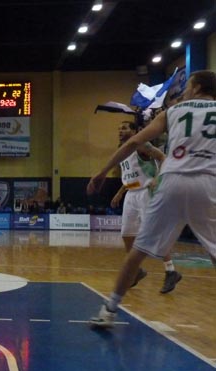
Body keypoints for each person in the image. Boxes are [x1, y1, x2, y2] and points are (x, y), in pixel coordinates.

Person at [87, 70, 216, 328]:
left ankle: (109, 311)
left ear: (197, 87)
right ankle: (168, 271)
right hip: (207, 182)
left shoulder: (172, 112)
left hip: (172, 181)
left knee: (137, 252)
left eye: (187, 87)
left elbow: (134, 142)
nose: (184, 91)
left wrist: (102, 172)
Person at [109, 120, 182, 293]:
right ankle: (137, 271)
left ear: (134, 131)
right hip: (131, 193)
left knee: (155, 233)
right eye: (119, 128)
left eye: (124, 128)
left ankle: (171, 271)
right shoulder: (123, 148)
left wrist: (157, 178)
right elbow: (130, 174)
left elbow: (163, 158)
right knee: (127, 234)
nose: (120, 131)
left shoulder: (141, 144)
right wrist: (120, 192)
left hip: (146, 192)